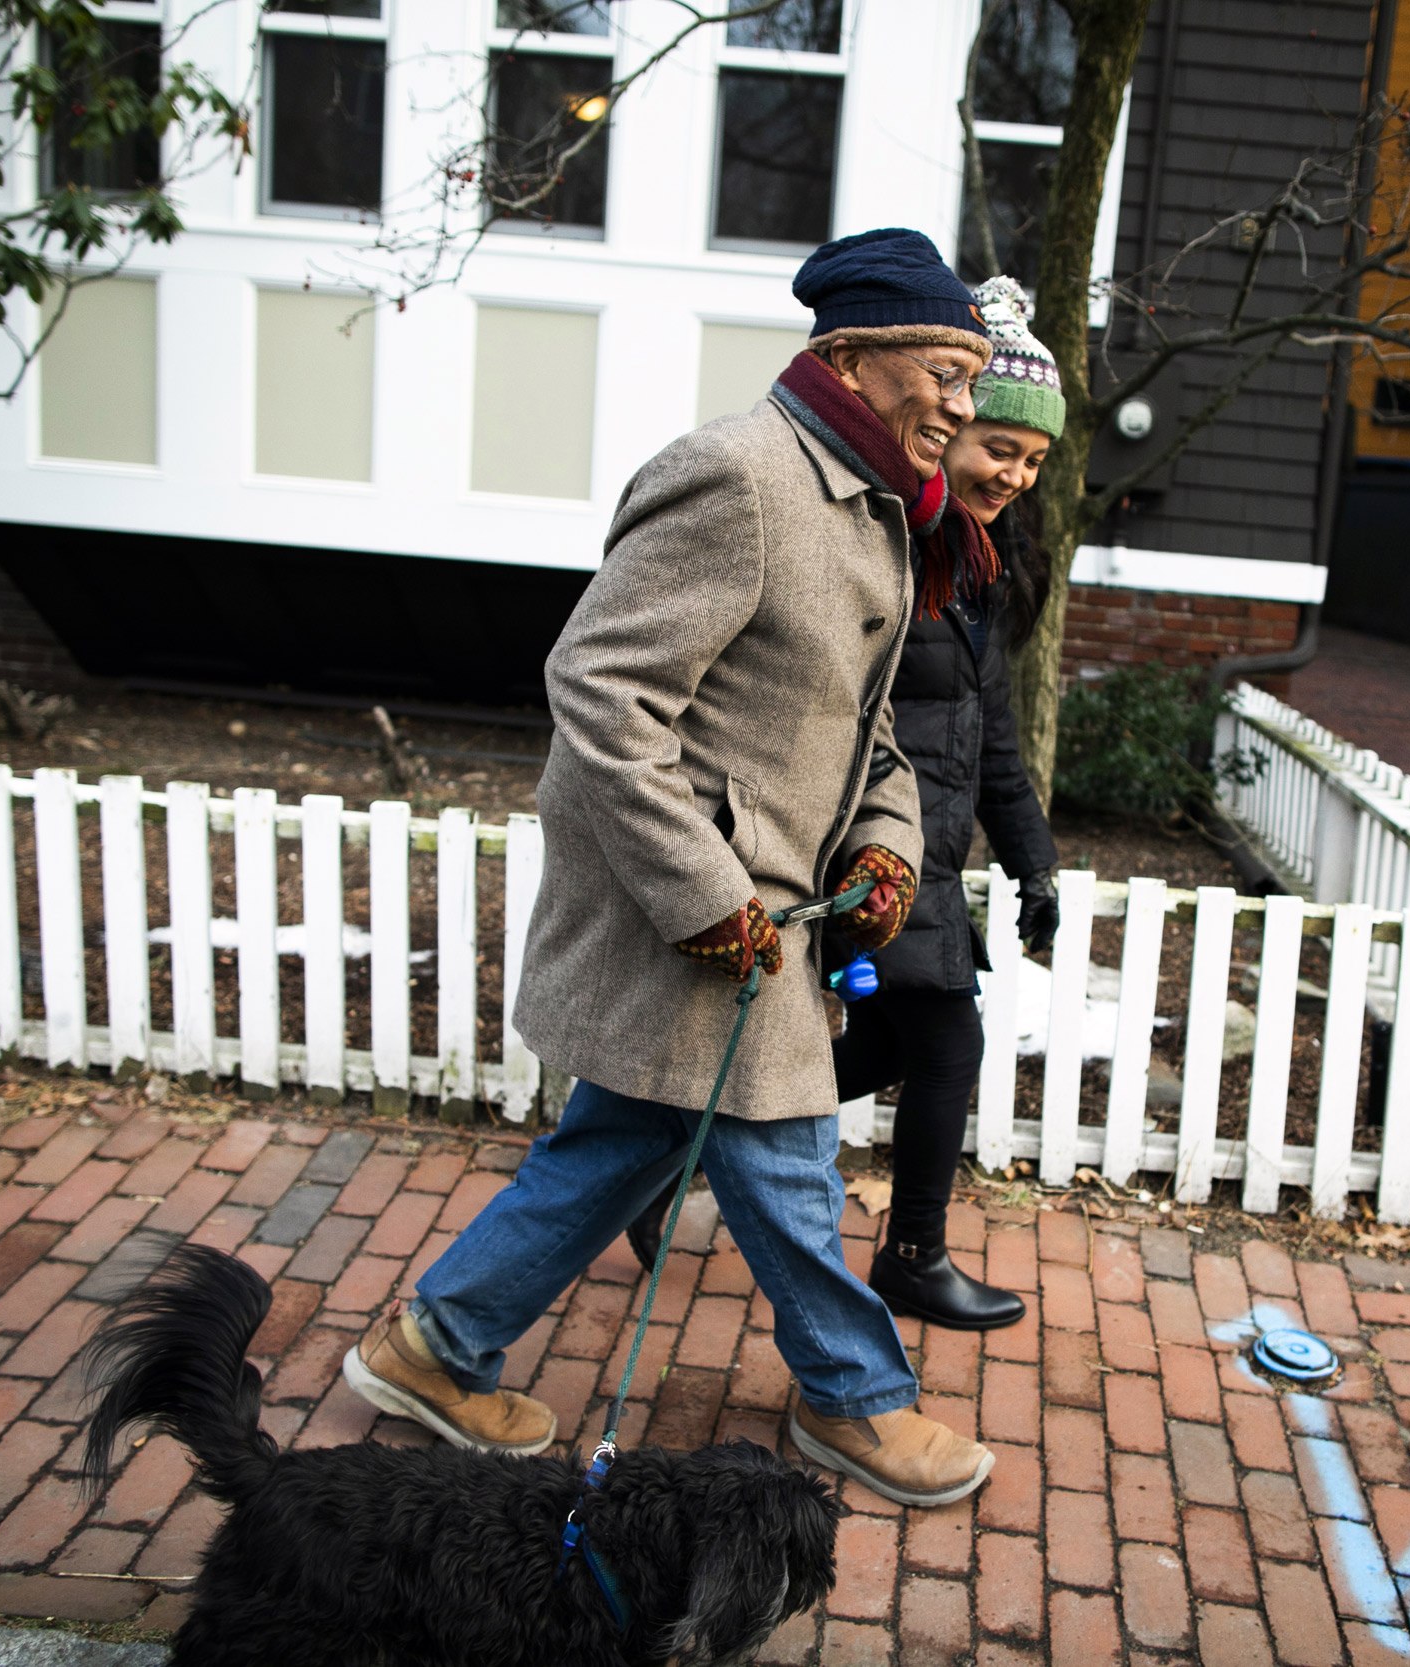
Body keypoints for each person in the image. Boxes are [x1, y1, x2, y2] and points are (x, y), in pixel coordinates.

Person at [342, 227, 999, 1510]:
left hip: (767, 914)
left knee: (621, 1141)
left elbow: (862, 732)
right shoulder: (738, 476)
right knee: (787, 1154)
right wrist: (704, 898)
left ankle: (430, 1347)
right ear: (852, 358)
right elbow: (600, 695)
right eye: (944, 373)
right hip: (697, 917)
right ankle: (853, 1398)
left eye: (973, 380)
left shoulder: (870, 506)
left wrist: (884, 842)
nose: (963, 409)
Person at [627, 275, 1065, 1331]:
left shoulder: (974, 569)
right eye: (997, 443)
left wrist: (1033, 854)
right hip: (868, 843)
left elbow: (991, 736)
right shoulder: (883, 546)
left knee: (874, 1049)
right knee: (942, 1043)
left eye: (1033, 460)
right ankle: (910, 1255)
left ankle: (672, 1162)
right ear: (944, 426)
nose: (1011, 470)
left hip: (930, 852)